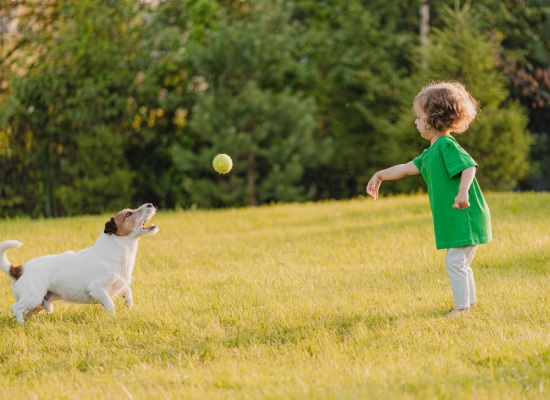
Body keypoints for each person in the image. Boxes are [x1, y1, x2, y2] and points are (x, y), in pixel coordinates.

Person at [366, 81, 492, 317]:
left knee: (455, 262)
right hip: (458, 217)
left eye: (419, 116)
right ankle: (470, 304)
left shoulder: (446, 145)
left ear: (434, 120)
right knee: (459, 262)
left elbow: (469, 167)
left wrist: (463, 191)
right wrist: (380, 175)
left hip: (465, 214)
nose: (415, 121)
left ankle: (463, 308)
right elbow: (405, 168)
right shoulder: (431, 152)